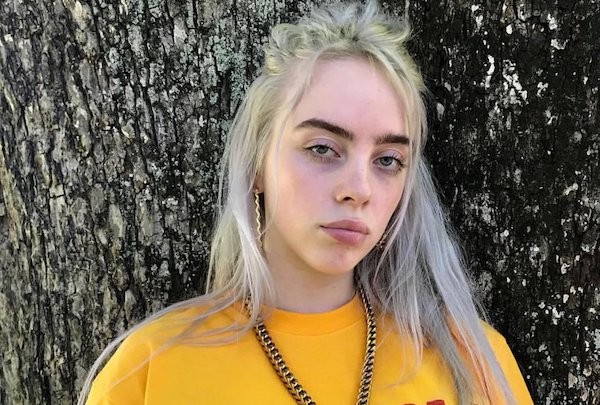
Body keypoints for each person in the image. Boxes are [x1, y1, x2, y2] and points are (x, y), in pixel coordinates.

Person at [80, 2, 534, 404]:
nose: (359, 189)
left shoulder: (474, 360)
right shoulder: (152, 370)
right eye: (322, 148)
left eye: (388, 160)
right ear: (257, 165)